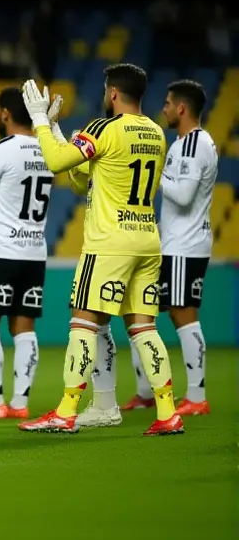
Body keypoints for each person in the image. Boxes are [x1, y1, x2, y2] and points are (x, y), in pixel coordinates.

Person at [18, 65, 183, 436]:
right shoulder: (157, 133)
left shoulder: (103, 129)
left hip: (109, 243)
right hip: (146, 241)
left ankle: (65, 410)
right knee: (143, 327)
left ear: (111, 93)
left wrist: (40, 122)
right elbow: (84, 180)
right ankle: (168, 411)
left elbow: (58, 162)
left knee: (84, 322)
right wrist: (61, 132)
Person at [84, 79, 217, 425]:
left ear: (183, 109)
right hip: (173, 243)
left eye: (170, 103)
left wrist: (152, 174)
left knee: (181, 315)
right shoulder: (183, 144)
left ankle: (197, 396)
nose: (165, 108)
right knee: (140, 315)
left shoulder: (192, 145)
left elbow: (184, 195)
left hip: (183, 245)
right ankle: (146, 393)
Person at [0, 88, 61, 421]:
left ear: (4, 113)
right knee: (25, 328)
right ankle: (20, 402)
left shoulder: (1, 149)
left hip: (2, 250)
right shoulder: (48, 150)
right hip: (34, 251)